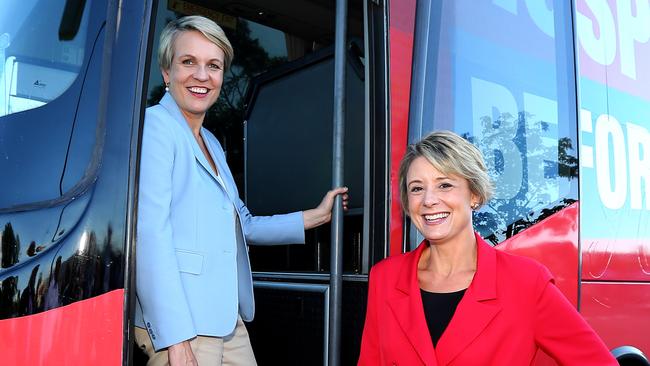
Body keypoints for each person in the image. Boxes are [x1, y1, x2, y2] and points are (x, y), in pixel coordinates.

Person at [135, 15, 349, 366]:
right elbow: (149, 236)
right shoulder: (156, 127)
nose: (202, 75)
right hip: (184, 323)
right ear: (165, 71)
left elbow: (243, 224)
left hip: (223, 317)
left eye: (213, 65)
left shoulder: (212, 144)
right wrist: (175, 339)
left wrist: (314, 217)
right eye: (188, 62)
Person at [357, 131, 617, 365]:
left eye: (444, 185)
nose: (428, 200)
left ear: (474, 195)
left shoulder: (526, 283)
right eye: (417, 188)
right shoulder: (385, 278)